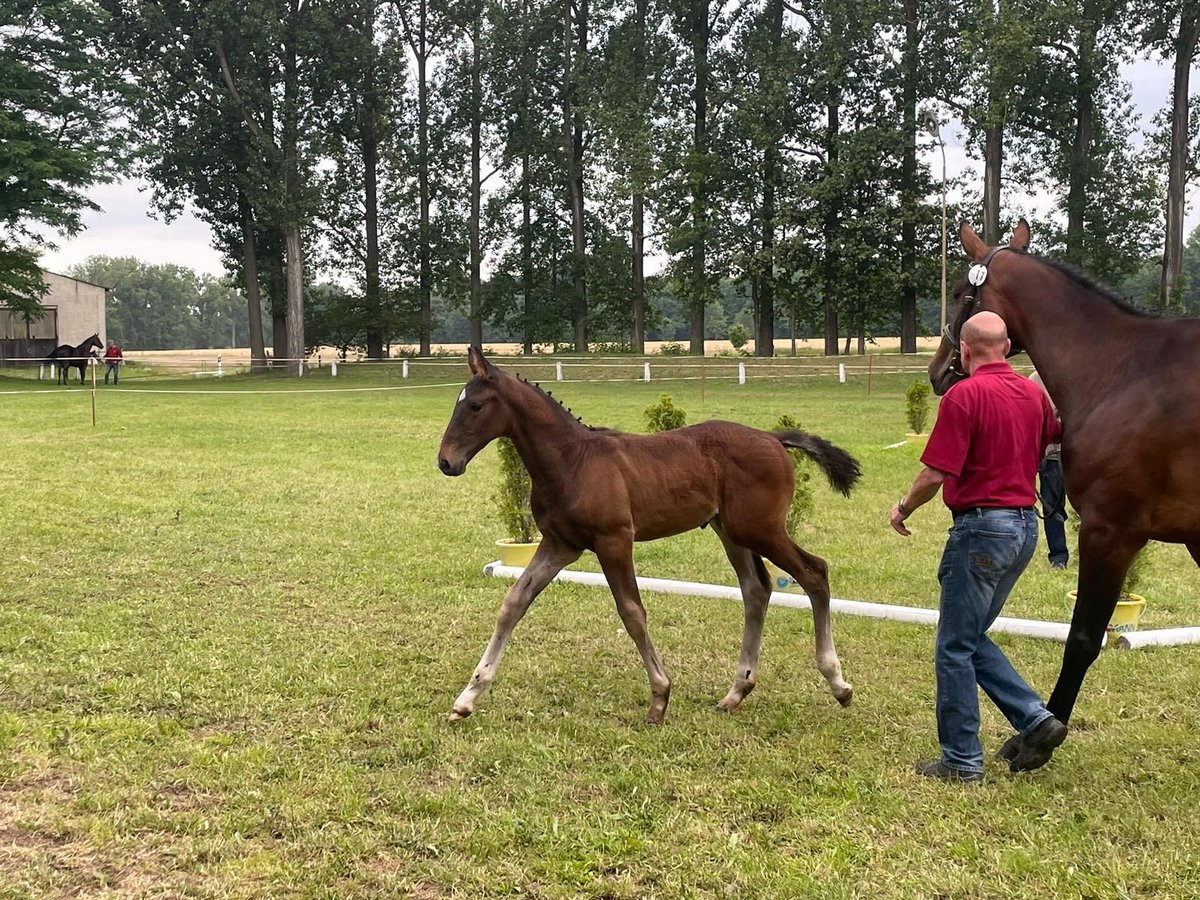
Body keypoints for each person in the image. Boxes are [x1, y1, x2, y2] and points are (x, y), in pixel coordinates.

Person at [889, 311, 1065, 783]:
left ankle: (962, 761)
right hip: (1025, 529)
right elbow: (1054, 439)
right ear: (1007, 348)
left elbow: (934, 473)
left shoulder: (963, 395)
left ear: (964, 352)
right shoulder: (1032, 393)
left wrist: (903, 508)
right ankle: (1036, 719)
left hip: (982, 529)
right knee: (968, 637)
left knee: (953, 647)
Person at [1029, 369, 1068, 569]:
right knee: (1052, 506)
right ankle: (1059, 557)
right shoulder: (1035, 380)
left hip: (1081, 455)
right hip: (1051, 456)